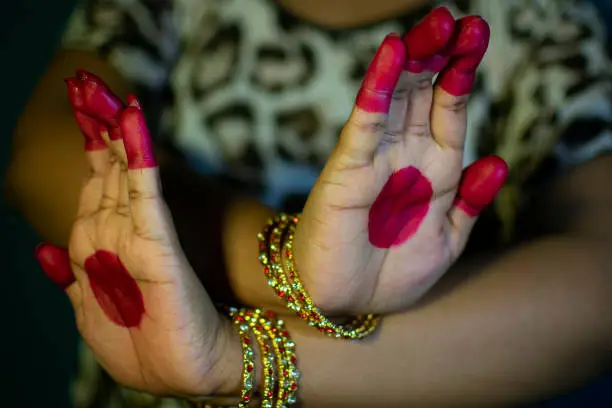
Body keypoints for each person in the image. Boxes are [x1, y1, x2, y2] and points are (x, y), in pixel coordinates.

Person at [5, 1, 612, 407]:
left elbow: (596, 286)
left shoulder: (536, 20)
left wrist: (235, 357)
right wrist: (287, 263)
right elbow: (43, 154)